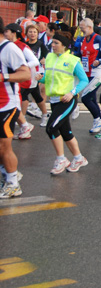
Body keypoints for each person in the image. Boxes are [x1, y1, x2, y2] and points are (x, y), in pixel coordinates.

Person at [40, 32, 89, 175]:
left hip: (67, 100)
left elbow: (84, 80)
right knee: (65, 132)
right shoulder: (49, 57)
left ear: (64, 45)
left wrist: (72, 92)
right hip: (54, 100)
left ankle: (61, 159)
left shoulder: (73, 60)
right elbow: (49, 78)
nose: (52, 45)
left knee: (51, 128)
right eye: (52, 42)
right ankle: (79, 158)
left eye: (56, 43)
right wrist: (40, 78)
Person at [0, 16, 31, 198]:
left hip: (6, 104)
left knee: (4, 146)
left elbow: (26, 73)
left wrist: (4, 78)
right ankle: (8, 173)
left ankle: (13, 183)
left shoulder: (9, 48)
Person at [3, 24, 41, 139]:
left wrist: (20, 68)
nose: (5, 34)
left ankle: (24, 125)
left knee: (15, 103)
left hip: (23, 79)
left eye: (7, 31)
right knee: (16, 103)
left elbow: (35, 61)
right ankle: (24, 125)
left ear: (14, 33)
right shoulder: (8, 46)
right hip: (14, 79)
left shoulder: (21, 46)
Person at [78, 18, 101, 134]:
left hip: (97, 73)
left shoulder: (98, 39)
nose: (81, 30)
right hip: (86, 72)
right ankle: (99, 120)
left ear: (89, 27)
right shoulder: (83, 39)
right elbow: (80, 54)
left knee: (85, 97)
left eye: (82, 28)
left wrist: (99, 61)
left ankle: (98, 120)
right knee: (92, 97)